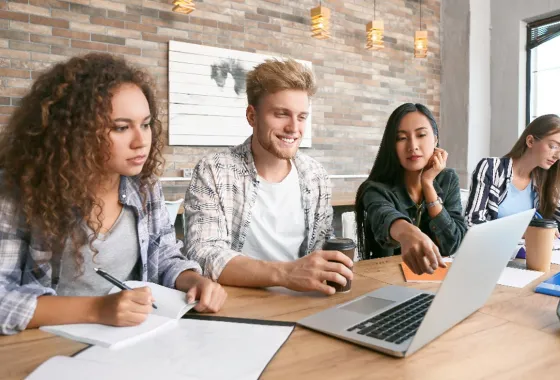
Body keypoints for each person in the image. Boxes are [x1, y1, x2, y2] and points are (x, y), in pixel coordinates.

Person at [0, 53, 226, 335]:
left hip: (132, 339)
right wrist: (98, 310)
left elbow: (164, 255)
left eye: (145, 124)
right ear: (74, 132)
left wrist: (192, 280)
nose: (141, 141)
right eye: (121, 127)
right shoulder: (21, 191)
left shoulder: (144, 184)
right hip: (45, 346)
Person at [184, 59, 352, 295]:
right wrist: (286, 274)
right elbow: (204, 254)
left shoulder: (316, 177)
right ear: (252, 116)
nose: (294, 128)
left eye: (302, 117)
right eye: (282, 114)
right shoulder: (214, 171)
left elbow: (320, 250)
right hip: (237, 308)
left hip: (305, 304)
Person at [465, 114, 560, 244]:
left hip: (523, 255)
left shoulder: (542, 179)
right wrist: (523, 231)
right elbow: (473, 223)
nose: (559, 156)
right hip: (488, 253)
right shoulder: (492, 168)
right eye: (554, 146)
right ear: (530, 141)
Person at [354, 103, 466, 275]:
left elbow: (452, 244)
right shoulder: (374, 189)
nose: (412, 145)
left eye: (421, 135)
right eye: (401, 138)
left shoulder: (447, 179)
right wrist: (408, 234)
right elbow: (385, 216)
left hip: (437, 281)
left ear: (435, 139)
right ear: (392, 145)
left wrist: (428, 184)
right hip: (386, 282)